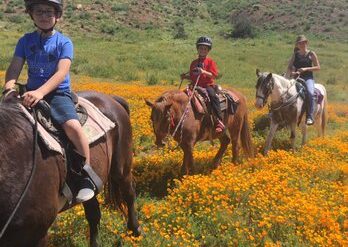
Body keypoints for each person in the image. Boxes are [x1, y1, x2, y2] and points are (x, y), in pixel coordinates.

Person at [3, 0, 95, 202]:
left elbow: (62, 72)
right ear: (31, 15)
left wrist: (41, 93)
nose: (44, 16)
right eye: (39, 11)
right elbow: (14, 67)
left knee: (71, 126)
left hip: (57, 94)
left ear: (57, 16)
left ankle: (85, 174)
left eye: (48, 12)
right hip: (30, 93)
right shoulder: (25, 41)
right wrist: (9, 88)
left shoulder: (64, 42)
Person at [181, 36, 225, 133]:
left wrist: (203, 71)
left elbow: (213, 75)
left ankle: (219, 121)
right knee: (183, 97)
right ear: (198, 49)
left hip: (207, 86)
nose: (203, 50)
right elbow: (193, 77)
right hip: (195, 86)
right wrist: (185, 77)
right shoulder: (194, 63)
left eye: (205, 49)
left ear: (208, 51)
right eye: (201, 48)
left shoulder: (210, 62)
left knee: (213, 97)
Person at [286, 35, 321, 125]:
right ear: (297, 45)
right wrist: (293, 71)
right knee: (284, 91)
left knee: (309, 92)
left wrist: (305, 69)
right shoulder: (295, 54)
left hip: (308, 78)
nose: (302, 44)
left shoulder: (311, 54)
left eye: (303, 42)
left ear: (306, 43)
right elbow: (290, 66)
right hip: (296, 77)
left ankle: (310, 116)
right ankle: (279, 113)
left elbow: (318, 67)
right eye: (300, 43)